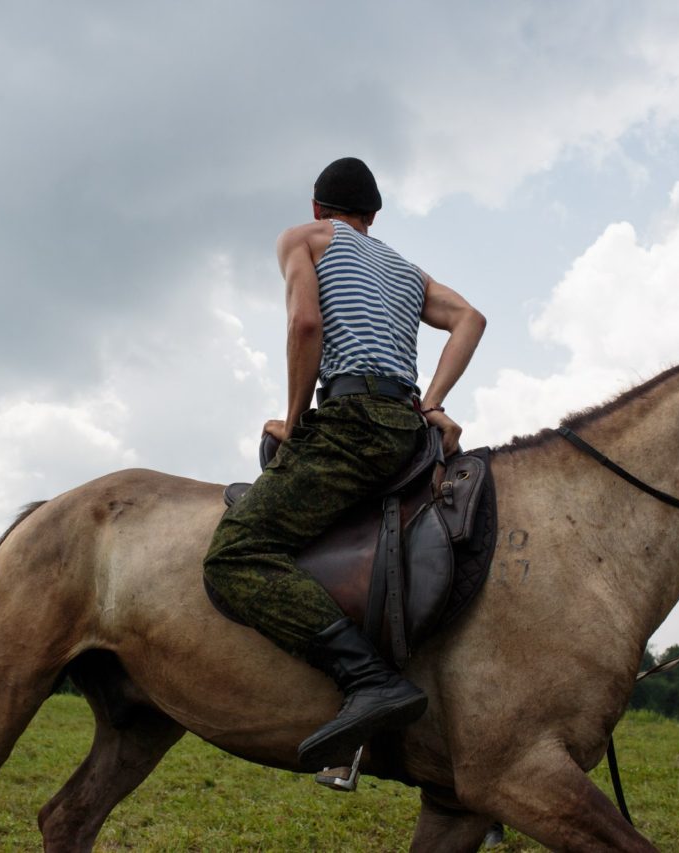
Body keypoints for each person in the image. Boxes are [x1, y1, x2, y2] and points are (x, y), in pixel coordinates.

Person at [204, 157, 486, 770]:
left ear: (317, 210)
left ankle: (369, 679)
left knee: (235, 553)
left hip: (352, 421)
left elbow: (306, 323)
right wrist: (432, 400)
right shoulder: (407, 270)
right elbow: (471, 319)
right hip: (406, 429)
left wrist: (294, 419)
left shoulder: (303, 239)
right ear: (373, 217)